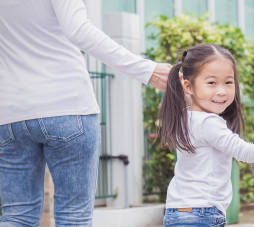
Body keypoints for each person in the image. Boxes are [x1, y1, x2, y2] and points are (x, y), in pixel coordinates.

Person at [0, 0, 171, 226]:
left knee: (17, 216)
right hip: (67, 106)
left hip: (10, 113)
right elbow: (78, 29)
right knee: (74, 216)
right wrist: (146, 69)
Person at [158, 44, 254, 227]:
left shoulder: (185, 117)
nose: (222, 91)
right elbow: (246, 152)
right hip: (201, 214)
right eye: (211, 83)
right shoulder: (208, 123)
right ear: (187, 86)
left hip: (178, 212)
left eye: (228, 82)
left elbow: (189, 93)